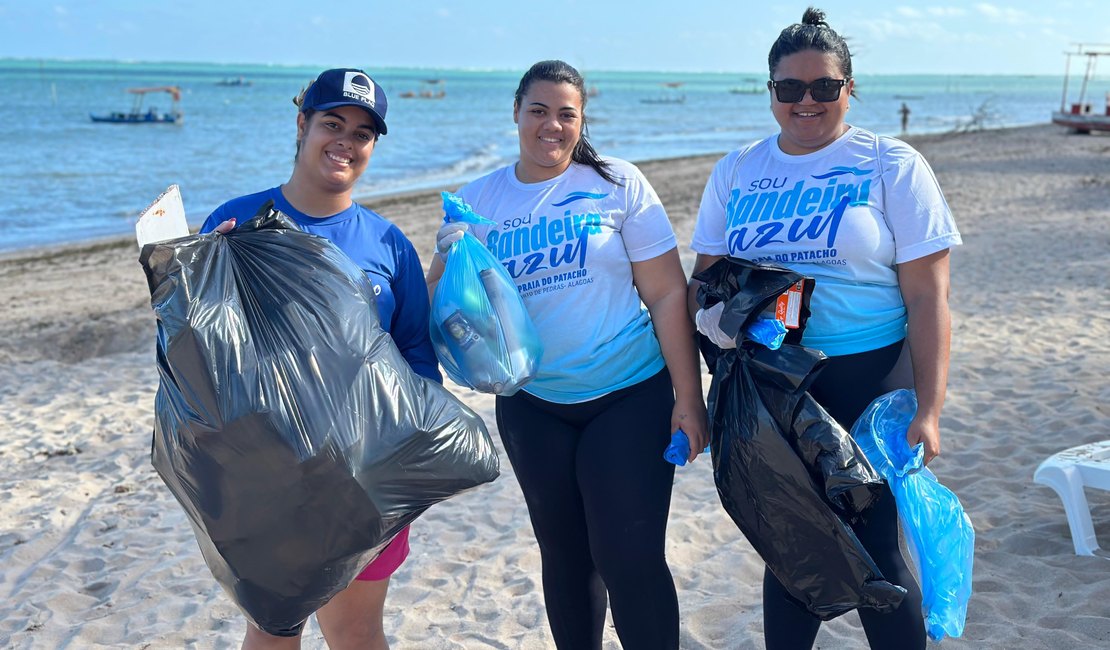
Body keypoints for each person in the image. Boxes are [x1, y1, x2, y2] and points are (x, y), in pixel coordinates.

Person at [687, 8, 961, 650]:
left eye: (823, 88)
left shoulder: (891, 164)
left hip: (868, 374)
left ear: (849, 88)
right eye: (790, 89)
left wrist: (930, 408)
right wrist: (716, 325)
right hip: (770, 384)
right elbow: (707, 279)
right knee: (791, 543)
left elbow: (928, 297)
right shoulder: (737, 170)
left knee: (875, 551)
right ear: (771, 92)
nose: (805, 102)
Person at [425, 60, 707, 650]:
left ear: (581, 121)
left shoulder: (618, 184)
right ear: (516, 113)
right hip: (533, 403)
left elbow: (664, 294)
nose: (551, 126)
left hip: (629, 394)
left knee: (628, 555)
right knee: (565, 556)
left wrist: (689, 395)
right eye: (539, 111)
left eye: (566, 114)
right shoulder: (477, 203)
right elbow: (448, 315)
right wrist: (444, 264)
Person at [201, 67, 440, 650]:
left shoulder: (388, 244)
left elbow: (416, 361)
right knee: (273, 630)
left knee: (355, 632)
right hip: (267, 476)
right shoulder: (237, 223)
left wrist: (405, 470)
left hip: (366, 479)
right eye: (332, 123)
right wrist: (195, 271)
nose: (346, 141)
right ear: (302, 124)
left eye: (362, 133)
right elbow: (192, 352)